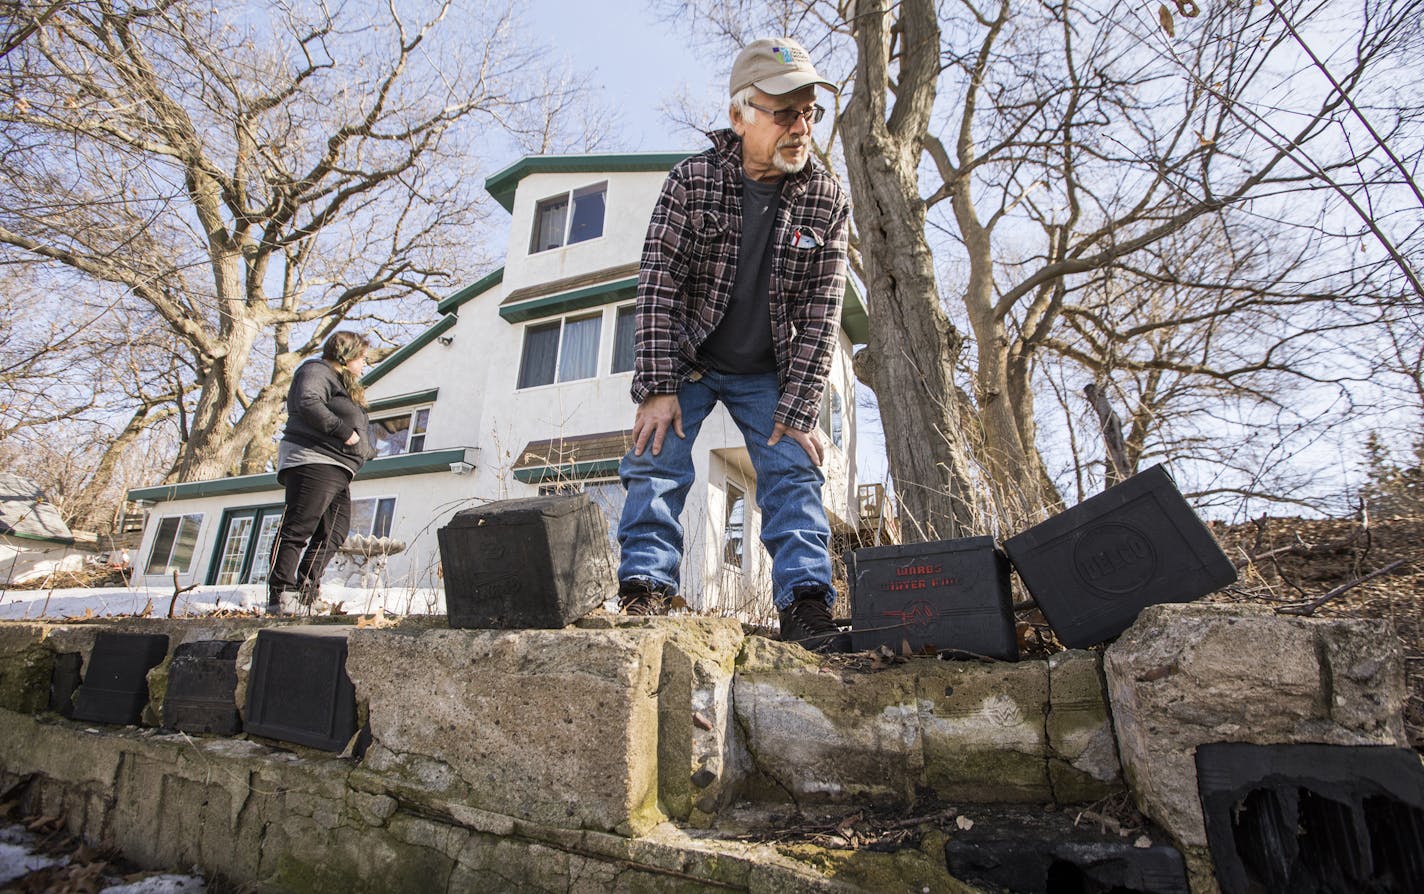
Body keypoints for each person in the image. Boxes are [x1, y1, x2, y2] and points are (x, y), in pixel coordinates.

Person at [616, 37, 852, 652]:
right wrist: (658, 387)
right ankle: (647, 588)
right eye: (784, 113)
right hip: (692, 360)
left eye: (808, 112)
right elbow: (659, 285)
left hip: (768, 368)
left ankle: (806, 606)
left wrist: (799, 411)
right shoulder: (692, 181)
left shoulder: (827, 201)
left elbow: (822, 313)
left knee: (794, 470)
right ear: (740, 115)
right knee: (654, 454)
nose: (800, 127)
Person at [266, 331, 375, 614]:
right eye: (362, 358)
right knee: (298, 527)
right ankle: (280, 593)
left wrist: (364, 447)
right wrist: (345, 433)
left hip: (340, 466)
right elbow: (308, 401)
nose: (364, 364)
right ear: (347, 354)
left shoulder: (342, 385)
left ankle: (306, 591)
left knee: (334, 532)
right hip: (314, 459)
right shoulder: (316, 370)